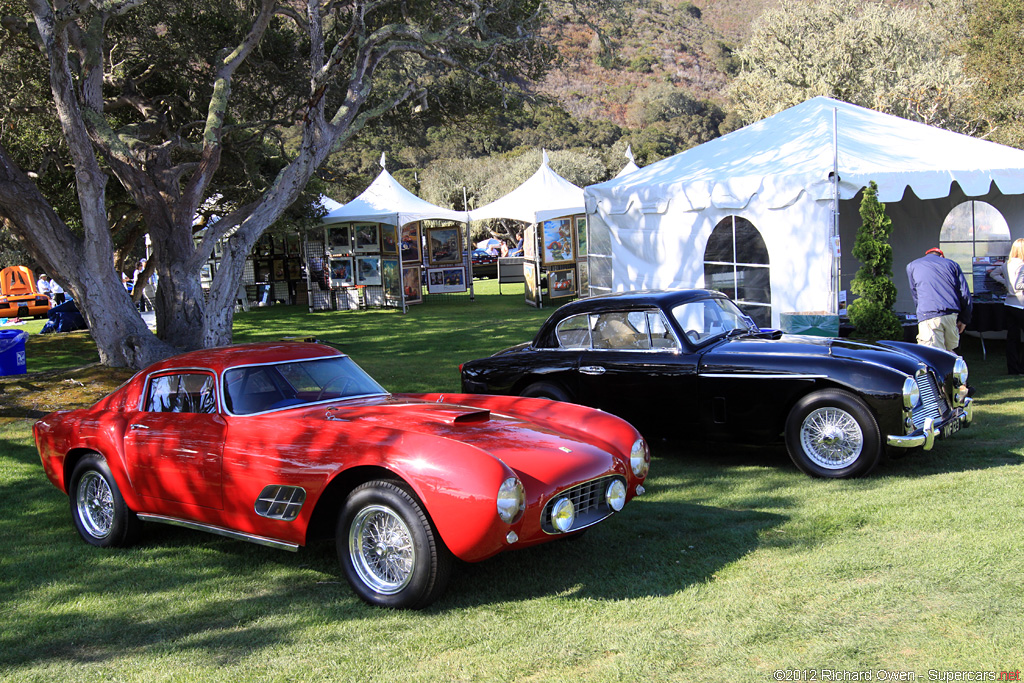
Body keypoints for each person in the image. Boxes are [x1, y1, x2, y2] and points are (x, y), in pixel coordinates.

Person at [906, 247, 973, 352]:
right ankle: (957, 368)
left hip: (928, 315)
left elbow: (915, 294)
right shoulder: (953, 265)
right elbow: (965, 294)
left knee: (931, 354)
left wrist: (921, 313)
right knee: (949, 351)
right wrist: (964, 319)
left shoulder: (912, 266)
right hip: (951, 315)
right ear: (942, 256)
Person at [988, 237, 1024, 374]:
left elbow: (993, 273)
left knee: (1012, 338)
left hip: (1009, 304)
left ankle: (1013, 369)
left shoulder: (1007, 264)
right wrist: (1010, 285)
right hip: (1021, 305)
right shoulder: (1022, 265)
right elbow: (1018, 286)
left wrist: (1005, 283)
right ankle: (1021, 367)